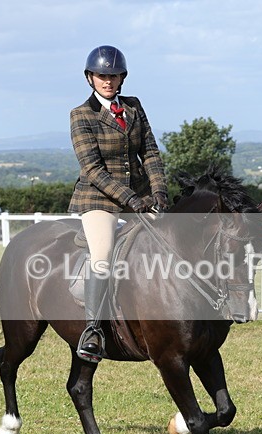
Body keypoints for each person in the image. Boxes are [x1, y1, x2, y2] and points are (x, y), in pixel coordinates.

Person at [68, 45, 169, 362]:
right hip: (98, 198)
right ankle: (94, 332)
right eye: (102, 76)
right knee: (102, 255)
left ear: (122, 77)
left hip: (139, 196)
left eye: (113, 76)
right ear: (90, 78)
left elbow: (150, 152)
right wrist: (132, 200)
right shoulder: (82, 115)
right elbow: (93, 170)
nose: (108, 81)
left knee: (173, 240)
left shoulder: (134, 108)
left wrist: (160, 191)